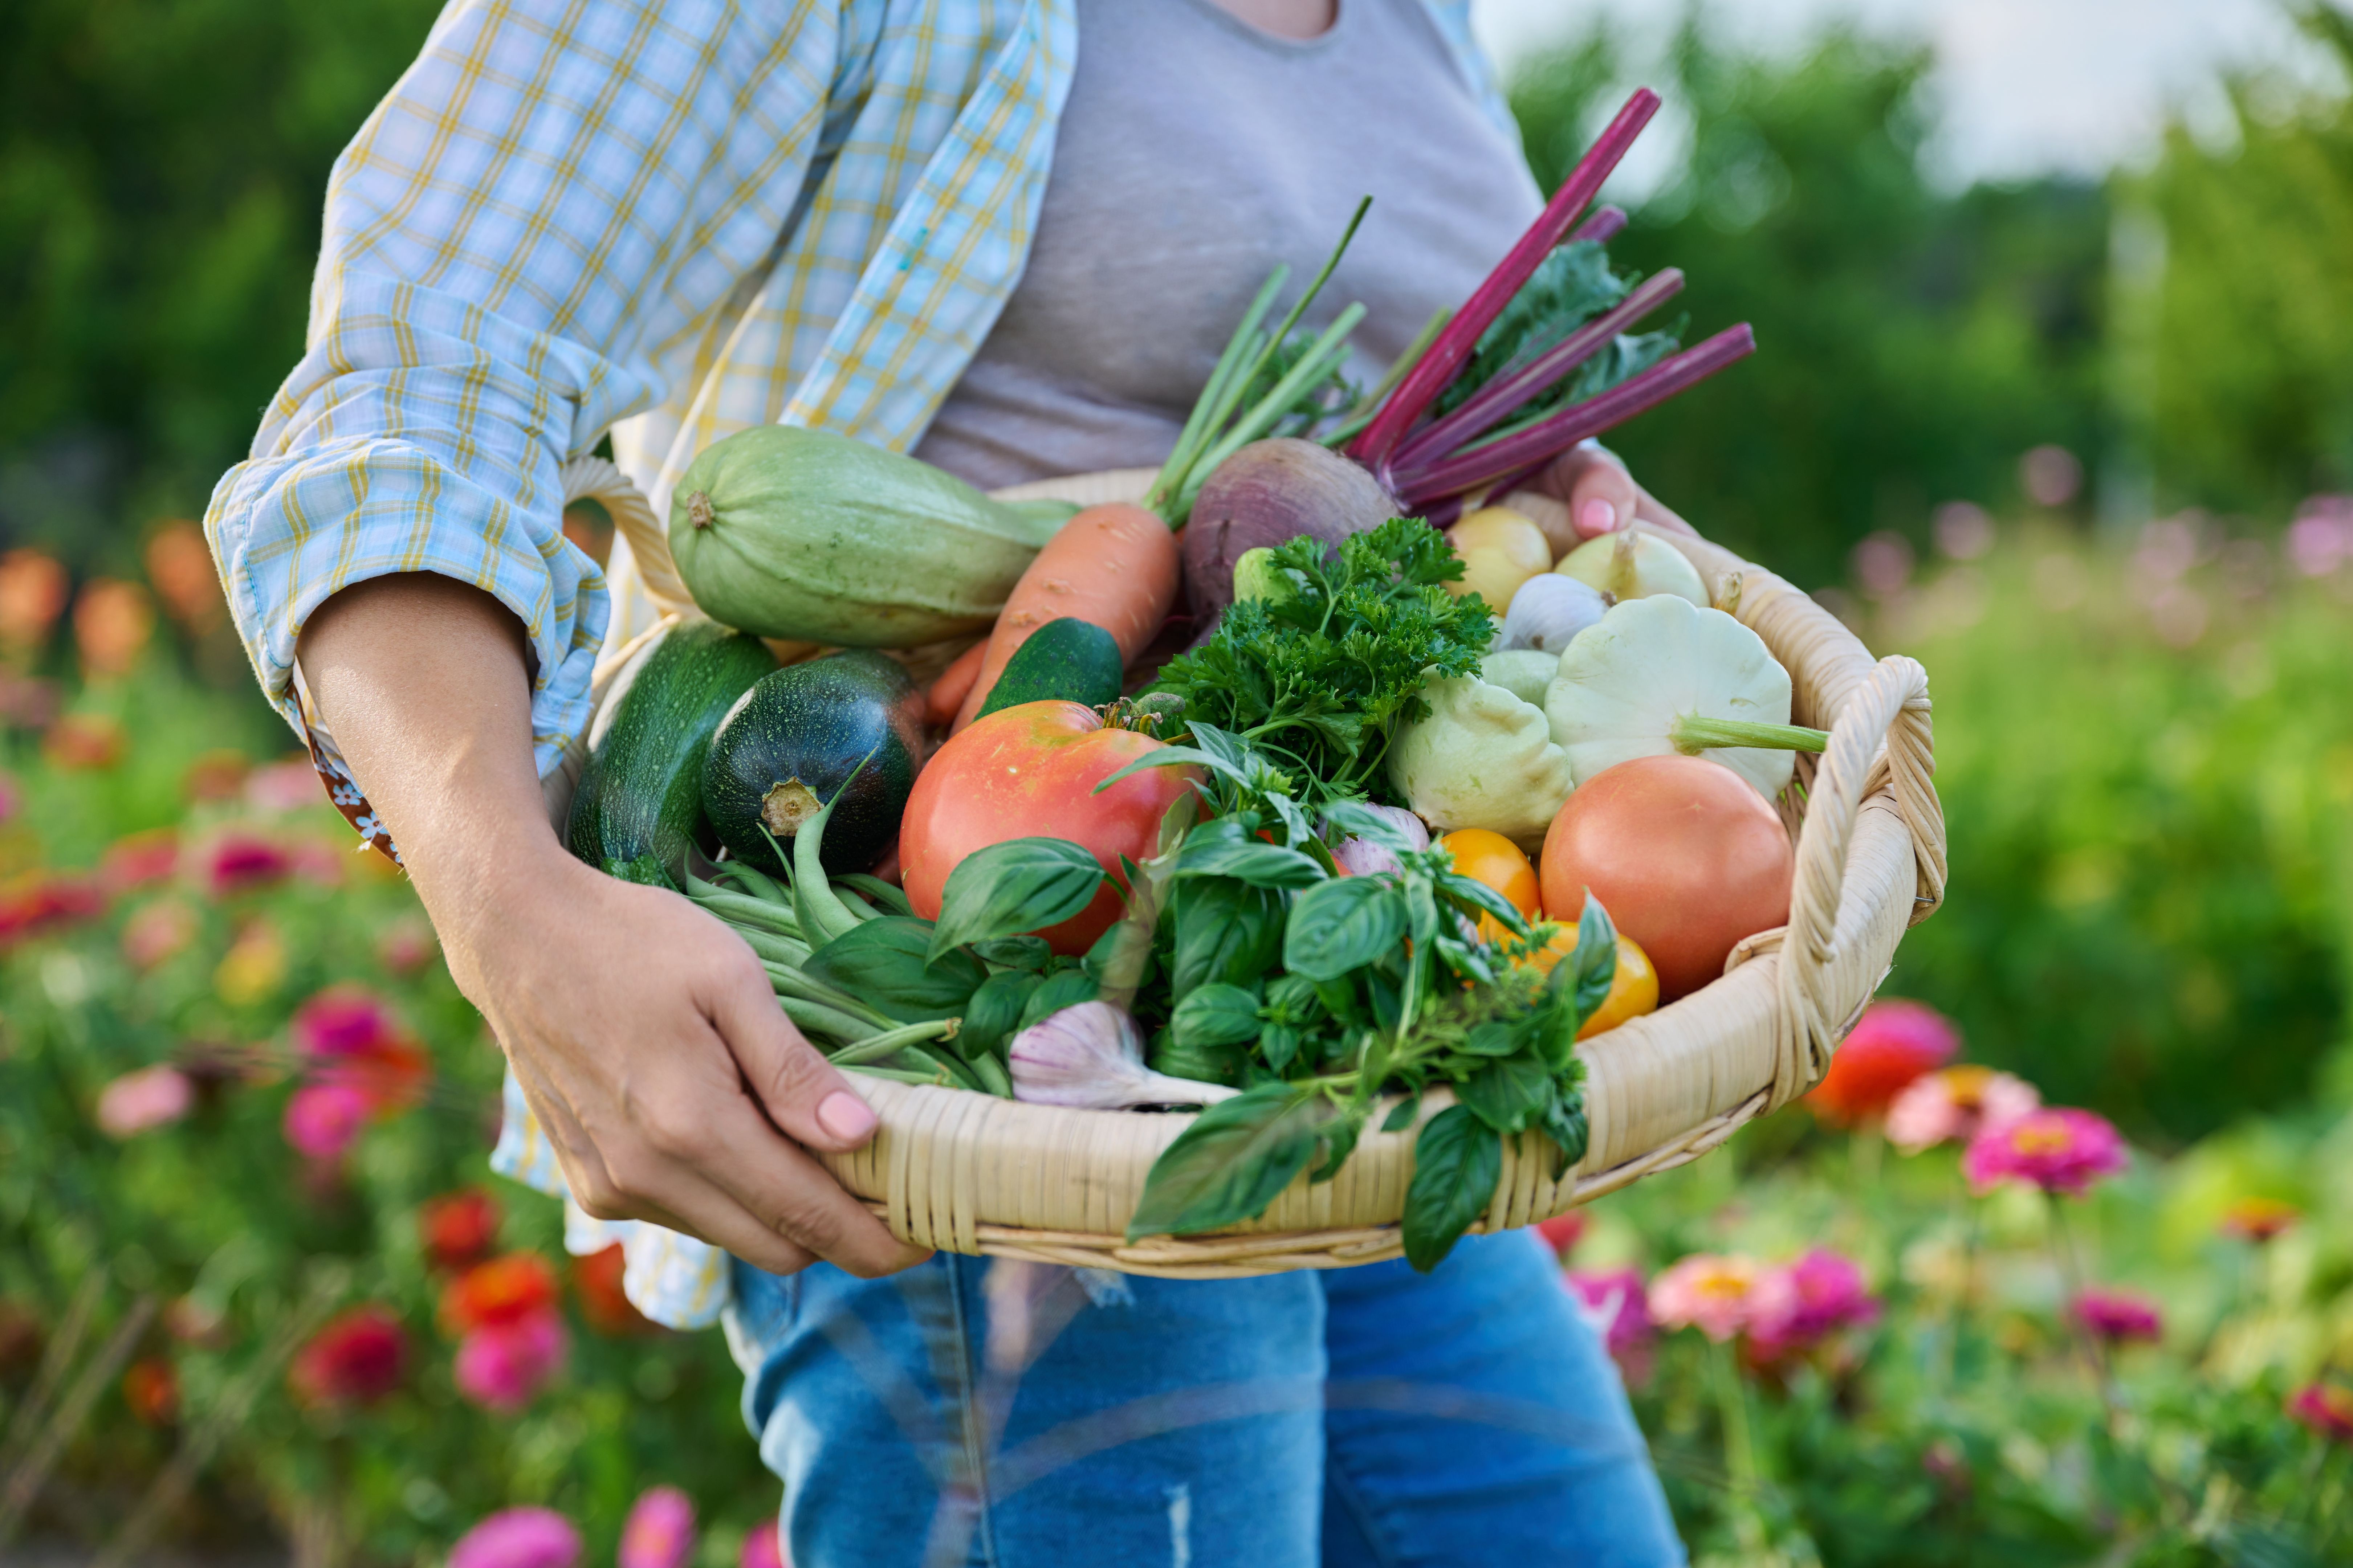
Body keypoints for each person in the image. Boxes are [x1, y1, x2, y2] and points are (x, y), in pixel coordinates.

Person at [210, 0, 1696, 1561]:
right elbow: (405, 387)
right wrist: (504, 898)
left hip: (1315, 983)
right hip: (972, 1031)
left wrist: (1562, 498)